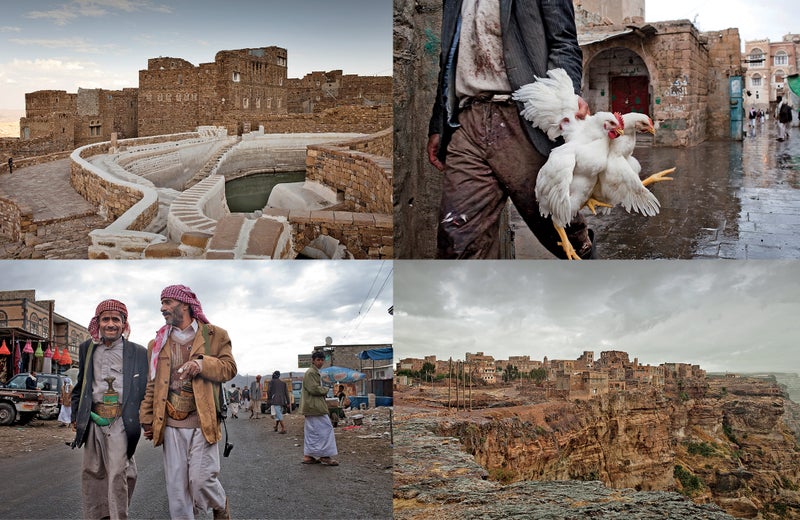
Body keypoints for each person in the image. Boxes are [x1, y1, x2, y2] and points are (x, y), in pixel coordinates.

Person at [426, 0, 592, 259]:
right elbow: (447, 59)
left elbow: (563, 42)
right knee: (456, 240)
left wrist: (566, 96)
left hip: (523, 117)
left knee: (562, 230)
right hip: (467, 121)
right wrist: (438, 123)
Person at [139, 285, 237, 520]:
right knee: (177, 490)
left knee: (201, 480)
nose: (162, 308)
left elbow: (229, 368)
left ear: (185, 304)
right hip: (171, 423)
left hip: (203, 422)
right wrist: (147, 419)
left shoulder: (214, 336)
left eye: (168, 303)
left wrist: (201, 364)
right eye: (162, 303)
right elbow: (152, 383)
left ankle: (220, 505)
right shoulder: (157, 343)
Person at [70, 299, 149, 519]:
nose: (111, 324)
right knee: (92, 472)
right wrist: (77, 415)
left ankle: (118, 516)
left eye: (116, 319)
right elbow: (81, 385)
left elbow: (145, 389)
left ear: (124, 324)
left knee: (118, 474)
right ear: (98, 322)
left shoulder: (138, 352)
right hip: (94, 418)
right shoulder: (87, 348)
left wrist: (148, 419)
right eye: (105, 319)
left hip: (121, 421)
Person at [300, 351, 338, 466]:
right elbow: (314, 389)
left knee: (312, 431)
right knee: (326, 429)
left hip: (312, 406)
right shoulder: (311, 372)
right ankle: (324, 456)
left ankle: (308, 456)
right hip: (314, 406)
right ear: (313, 360)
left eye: (322, 360)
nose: (320, 362)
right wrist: (325, 390)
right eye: (318, 360)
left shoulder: (313, 372)